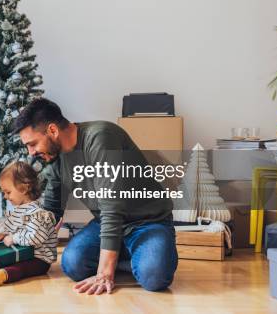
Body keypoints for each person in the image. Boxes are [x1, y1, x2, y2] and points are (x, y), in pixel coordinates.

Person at [12, 98, 178, 295]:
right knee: (72, 264)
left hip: (147, 222)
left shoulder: (101, 137)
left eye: (33, 144)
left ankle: (127, 258)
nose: (30, 153)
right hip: (104, 224)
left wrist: (104, 273)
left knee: (155, 277)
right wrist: (16, 238)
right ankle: (125, 255)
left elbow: (112, 207)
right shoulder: (55, 160)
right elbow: (51, 211)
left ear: (53, 130)